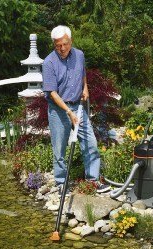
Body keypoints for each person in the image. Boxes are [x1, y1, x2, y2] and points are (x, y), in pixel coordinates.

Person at [42, 25, 110, 194]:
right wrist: (69, 112)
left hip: (78, 107)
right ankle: (60, 183)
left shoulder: (79, 55)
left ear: (70, 41)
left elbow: (82, 73)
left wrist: (85, 87)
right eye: (58, 45)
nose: (62, 48)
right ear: (54, 44)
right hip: (59, 109)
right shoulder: (49, 62)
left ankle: (93, 181)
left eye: (65, 44)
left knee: (90, 142)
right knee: (59, 148)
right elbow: (52, 92)